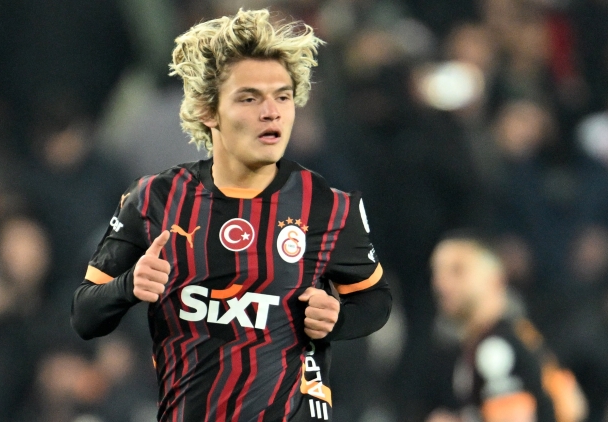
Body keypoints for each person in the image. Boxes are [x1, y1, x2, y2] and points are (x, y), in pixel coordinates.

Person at [71, 8, 392, 422]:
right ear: (209, 111)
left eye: (283, 96)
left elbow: (376, 300)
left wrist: (338, 317)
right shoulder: (154, 199)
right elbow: (85, 313)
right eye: (249, 98)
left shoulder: (329, 207)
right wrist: (129, 286)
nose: (271, 111)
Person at [424, 229, 586, 422]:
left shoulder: (496, 348)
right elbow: (573, 405)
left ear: (495, 278)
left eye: (458, 271)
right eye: (436, 272)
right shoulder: (518, 333)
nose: (441, 284)